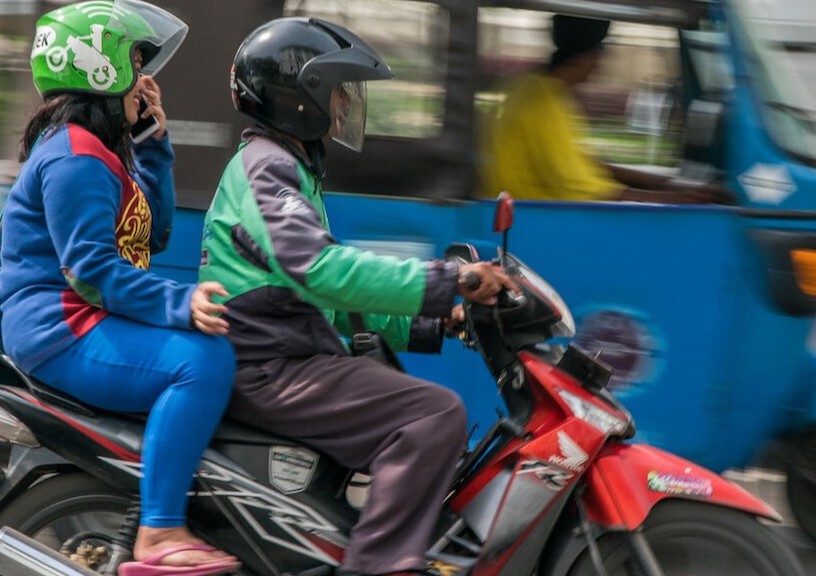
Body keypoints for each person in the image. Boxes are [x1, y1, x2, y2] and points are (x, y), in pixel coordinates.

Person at [199, 17, 517, 576]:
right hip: (272, 366)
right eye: (339, 93)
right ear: (302, 97)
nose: (346, 106)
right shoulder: (268, 170)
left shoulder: (288, 169)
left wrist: (439, 321)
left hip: (285, 353)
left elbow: (330, 299)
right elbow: (322, 270)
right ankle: (381, 565)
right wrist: (451, 282)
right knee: (434, 414)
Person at [0, 2, 239, 575]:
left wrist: (154, 142)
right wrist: (180, 303)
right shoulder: (74, 156)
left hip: (83, 315)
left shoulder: (100, 151)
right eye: (136, 61)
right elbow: (91, 271)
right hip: (60, 325)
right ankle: (158, 532)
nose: (147, 80)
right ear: (99, 69)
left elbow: (152, 235)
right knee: (200, 363)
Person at [480, 14, 722, 204]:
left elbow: (581, 162)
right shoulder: (542, 103)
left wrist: (665, 184)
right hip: (534, 219)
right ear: (589, 57)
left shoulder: (531, 86)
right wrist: (672, 199)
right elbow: (580, 186)